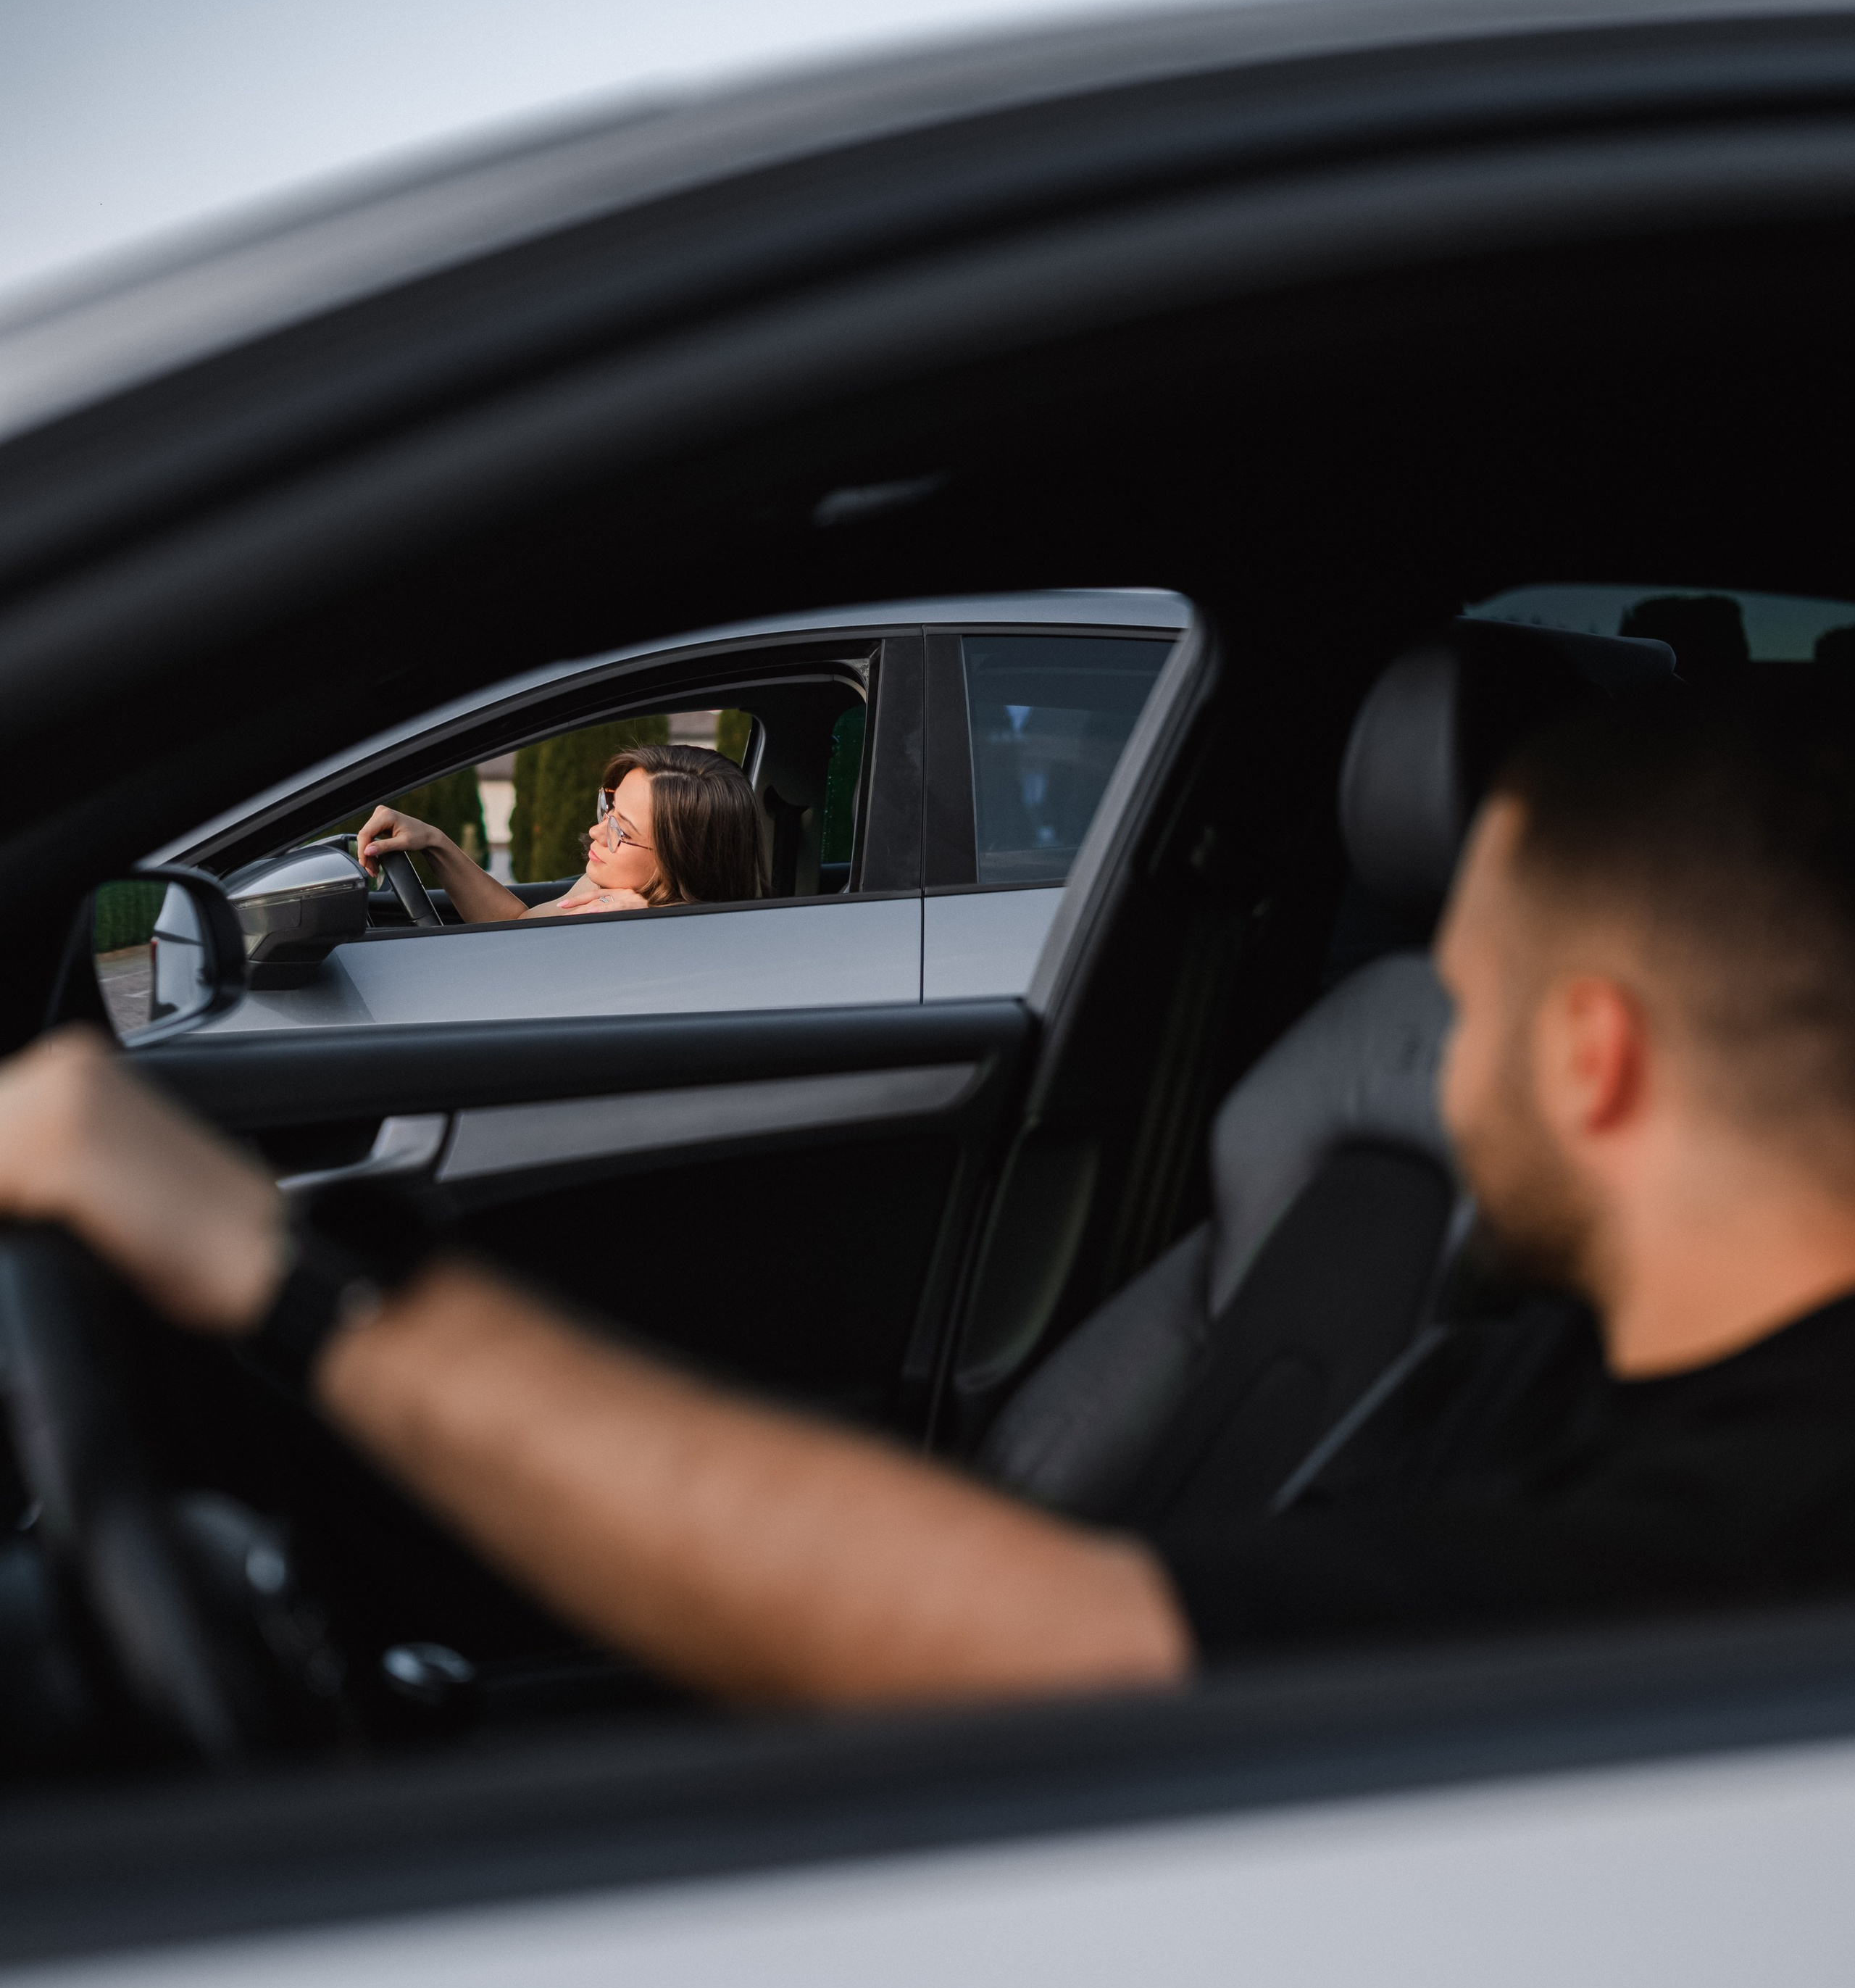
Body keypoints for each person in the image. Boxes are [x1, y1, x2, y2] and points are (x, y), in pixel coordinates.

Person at [6, 696, 1855, 1709]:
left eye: (1470, 1007)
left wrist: (277, 1275)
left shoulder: (1758, 1541)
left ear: (1590, 1056)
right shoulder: (1583, 1386)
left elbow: (1034, 1646)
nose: (1432, 1069)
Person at [354, 744, 763, 923]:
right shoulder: (613, 889)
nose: (596, 831)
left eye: (622, 830)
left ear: (682, 860)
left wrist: (653, 931)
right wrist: (434, 841)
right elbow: (519, 925)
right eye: (609, 808)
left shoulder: (630, 917)